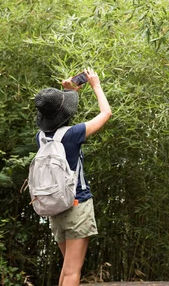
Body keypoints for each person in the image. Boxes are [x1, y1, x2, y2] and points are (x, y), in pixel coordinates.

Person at [33, 68, 112, 286]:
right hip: (76, 205)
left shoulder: (40, 137)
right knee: (72, 272)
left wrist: (66, 92)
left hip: (54, 207)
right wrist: (96, 86)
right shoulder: (72, 134)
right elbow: (106, 113)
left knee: (67, 269)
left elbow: (55, 119)